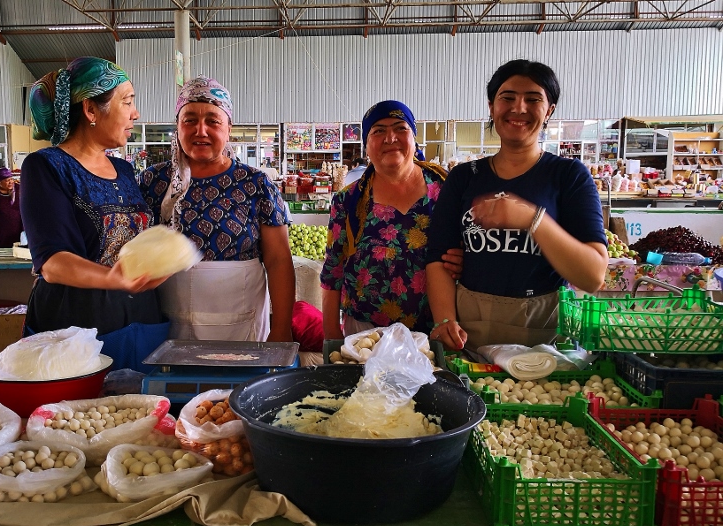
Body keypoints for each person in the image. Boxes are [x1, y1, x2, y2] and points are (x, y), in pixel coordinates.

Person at [426, 59, 608, 353]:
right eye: (507, 98)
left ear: (549, 111)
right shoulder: (463, 178)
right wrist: (444, 319)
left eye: (533, 99)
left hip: (544, 338)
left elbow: (593, 276)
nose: (519, 108)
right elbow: (438, 257)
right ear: (491, 107)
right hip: (469, 334)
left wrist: (533, 219)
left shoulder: (569, 176)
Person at [21, 56, 171, 372]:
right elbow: (52, 262)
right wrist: (114, 278)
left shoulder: (124, 170)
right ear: (91, 110)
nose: (135, 113)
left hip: (140, 322)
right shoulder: (46, 167)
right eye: (127, 102)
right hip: (77, 326)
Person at [139, 76, 295, 342]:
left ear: (229, 127)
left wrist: (281, 328)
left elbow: (279, 260)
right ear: (177, 126)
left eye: (213, 120)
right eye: (189, 120)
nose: (201, 130)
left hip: (240, 323)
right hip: (167, 325)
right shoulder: (152, 182)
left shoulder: (256, 184)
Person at [320, 100, 451, 339]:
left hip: (434, 332)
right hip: (365, 336)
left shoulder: (445, 190)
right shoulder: (348, 201)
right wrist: (331, 334)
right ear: (366, 145)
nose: (390, 138)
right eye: (378, 131)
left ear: (414, 137)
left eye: (400, 128)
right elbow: (333, 271)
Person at [0, 167, 24, 248]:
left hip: (18, 228)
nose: (11, 182)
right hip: (0, 230)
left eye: (11, 179)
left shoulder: (19, 189)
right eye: (7, 180)